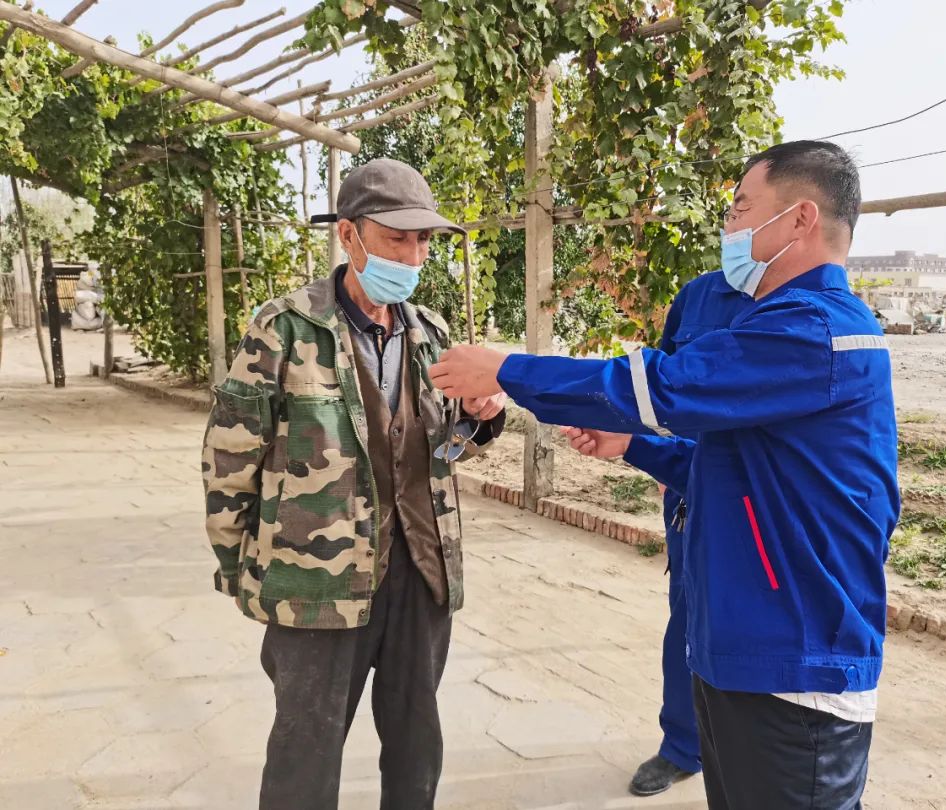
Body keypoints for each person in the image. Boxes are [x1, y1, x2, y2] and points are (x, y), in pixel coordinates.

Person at [428, 141, 900, 809]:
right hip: (743, 648)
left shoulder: (815, 330)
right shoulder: (772, 320)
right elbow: (730, 469)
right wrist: (633, 446)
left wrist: (506, 370)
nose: (730, 228)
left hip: (795, 668)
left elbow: (661, 387)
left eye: (741, 210)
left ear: (799, 218)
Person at [202, 157, 506, 810]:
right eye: (398, 239)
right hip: (317, 581)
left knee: (416, 745)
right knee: (305, 755)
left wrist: (481, 417)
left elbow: (443, 447)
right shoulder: (285, 330)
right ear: (349, 235)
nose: (414, 256)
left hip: (420, 575)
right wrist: (239, 566)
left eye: (423, 241)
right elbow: (230, 458)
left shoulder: (431, 334)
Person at [608, 271, 754, 797]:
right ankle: (682, 746)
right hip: (691, 492)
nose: (734, 233)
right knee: (688, 622)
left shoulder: (800, 304)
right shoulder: (698, 296)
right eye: (730, 226)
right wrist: (643, 446)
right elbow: (660, 389)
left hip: (762, 503)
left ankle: (751, 752)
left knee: (757, 629)